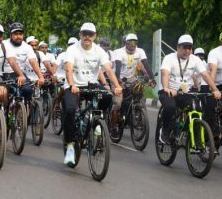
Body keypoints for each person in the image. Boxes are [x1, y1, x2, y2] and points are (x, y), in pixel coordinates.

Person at [62, 22, 122, 166]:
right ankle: (70, 146)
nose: (87, 37)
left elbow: (108, 70)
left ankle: (96, 123)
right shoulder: (72, 49)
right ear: (80, 35)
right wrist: (72, 85)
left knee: (108, 96)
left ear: (95, 36)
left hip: (91, 84)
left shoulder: (99, 51)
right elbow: (69, 69)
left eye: (90, 34)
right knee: (70, 110)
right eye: (84, 34)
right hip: (74, 85)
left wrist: (117, 86)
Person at [159, 34, 221, 144]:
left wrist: (215, 89)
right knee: (170, 107)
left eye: (189, 48)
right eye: (184, 47)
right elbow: (165, 74)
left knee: (197, 109)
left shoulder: (195, 60)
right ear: (178, 47)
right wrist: (166, 88)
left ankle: (194, 136)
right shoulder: (169, 58)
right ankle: (165, 130)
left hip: (185, 93)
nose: (187, 51)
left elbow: (205, 75)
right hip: (169, 91)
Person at [110, 33, 156, 133]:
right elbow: (117, 69)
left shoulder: (140, 51)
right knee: (118, 102)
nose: (133, 44)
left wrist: (151, 79)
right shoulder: (119, 52)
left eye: (135, 42)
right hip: (117, 78)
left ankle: (137, 113)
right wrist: (118, 83)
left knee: (139, 91)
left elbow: (146, 66)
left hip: (131, 78)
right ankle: (113, 125)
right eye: (130, 42)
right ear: (126, 43)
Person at [2, 22, 44, 102]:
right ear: (10, 35)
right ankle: (5, 112)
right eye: (15, 34)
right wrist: (21, 75)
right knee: (4, 95)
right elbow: (12, 62)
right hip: (4, 74)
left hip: (20, 74)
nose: (18, 36)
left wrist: (41, 77)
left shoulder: (27, 47)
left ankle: (24, 111)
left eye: (20, 34)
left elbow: (33, 62)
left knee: (28, 90)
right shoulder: (4, 44)